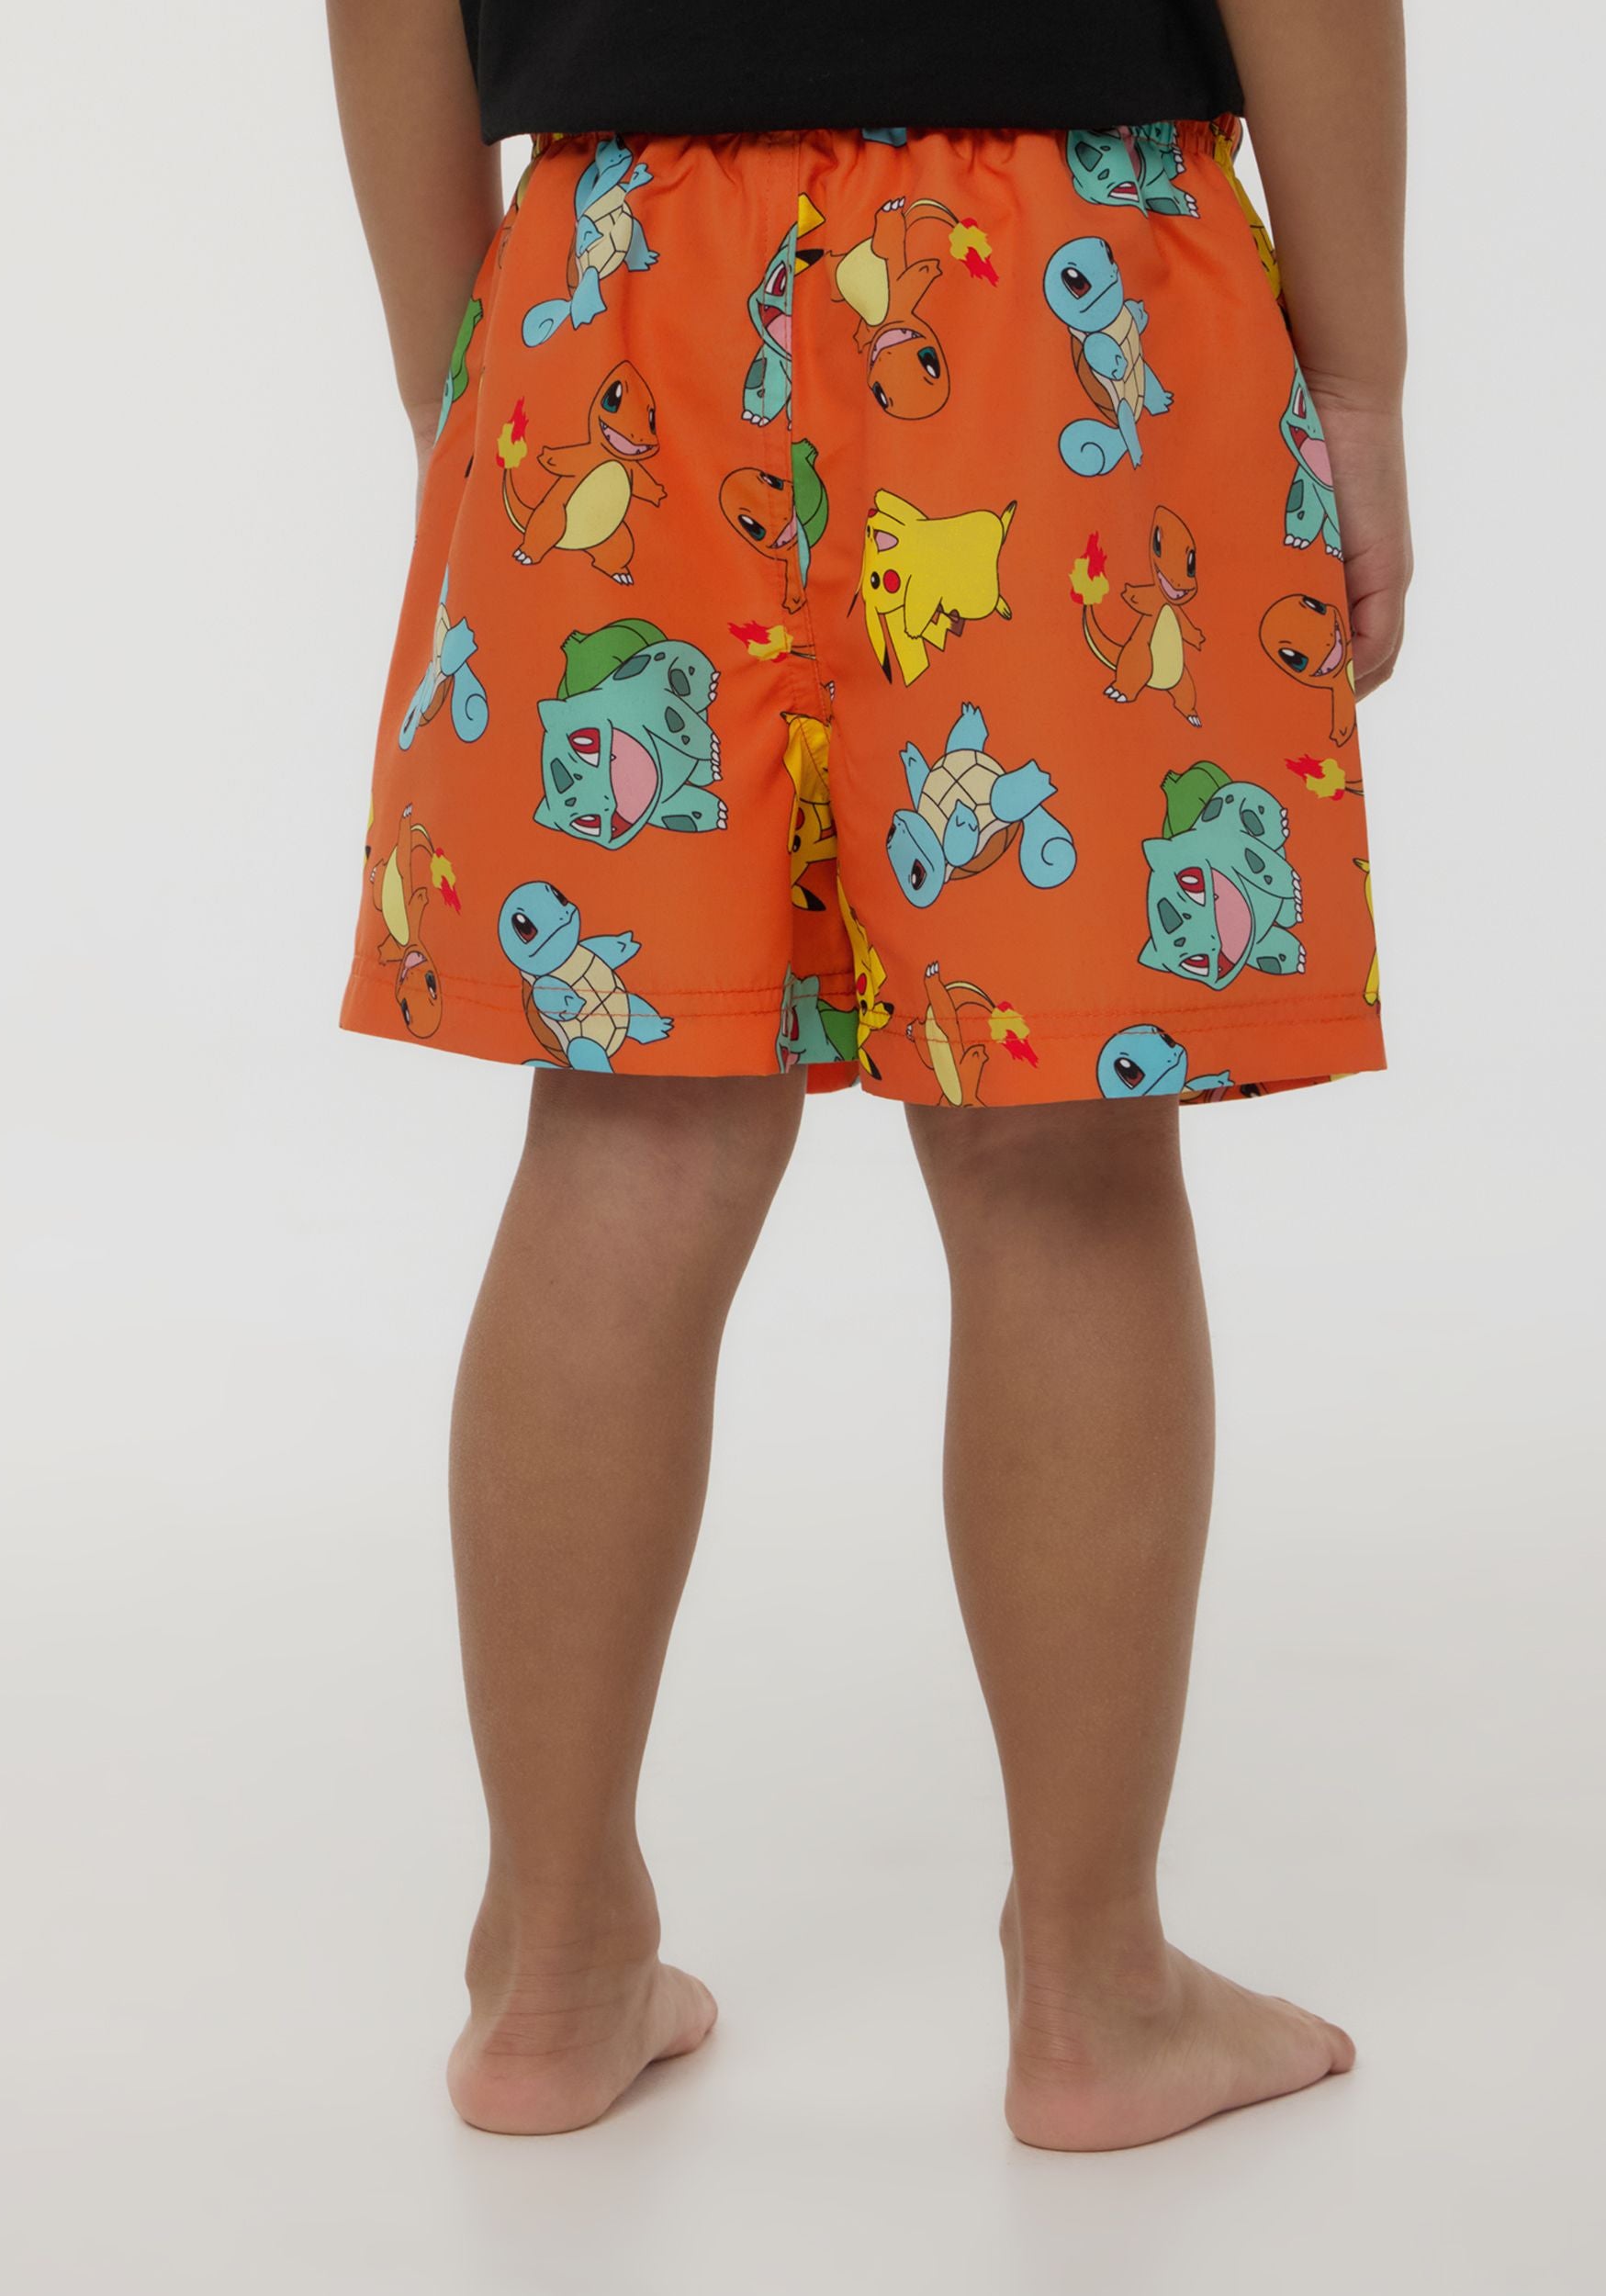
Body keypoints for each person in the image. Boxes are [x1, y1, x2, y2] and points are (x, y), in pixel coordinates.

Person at [327, 0, 1408, 2149]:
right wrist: (1359, 376)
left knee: (630, 1126)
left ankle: (555, 1972)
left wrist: (465, 358)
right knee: (1058, 1144)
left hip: (618, 270)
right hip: (1064, 268)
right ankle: (1095, 1994)